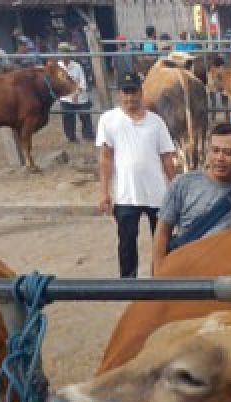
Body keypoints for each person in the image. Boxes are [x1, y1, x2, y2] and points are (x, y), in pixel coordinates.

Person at [96, 71, 177, 278]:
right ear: (119, 94)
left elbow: (167, 157)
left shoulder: (156, 122)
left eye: (133, 92)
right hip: (126, 193)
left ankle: (163, 277)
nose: (130, 97)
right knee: (126, 240)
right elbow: (105, 157)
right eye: (126, 92)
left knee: (162, 239)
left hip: (156, 192)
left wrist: (176, 187)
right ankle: (128, 283)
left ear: (141, 93)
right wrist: (104, 192)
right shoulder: (108, 120)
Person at [151, 122, 231, 271]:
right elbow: (163, 231)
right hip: (187, 271)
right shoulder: (183, 184)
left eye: (228, 153)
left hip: (228, 275)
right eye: (215, 150)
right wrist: (158, 272)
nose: (220, 158)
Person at [57, 44, 93, 144]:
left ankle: (88, 136)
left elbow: (83, 83)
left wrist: (77, 93)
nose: (64, 55)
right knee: (67, 117)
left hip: (80, 96)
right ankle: (71, 137)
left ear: (69, 54)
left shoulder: (77, 66)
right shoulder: (58, 66)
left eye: (66, 52)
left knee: (85, 115)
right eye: (61, 52)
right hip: (65, 97)